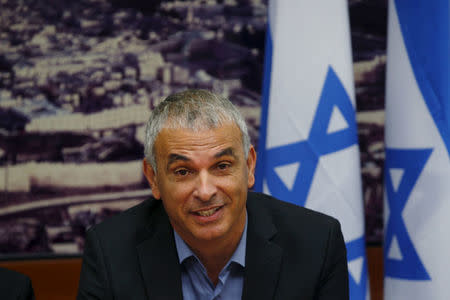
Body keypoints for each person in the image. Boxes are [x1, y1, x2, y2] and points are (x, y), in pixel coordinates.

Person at [77, 89, 349, 299]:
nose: (205, 192)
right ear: (153, 178)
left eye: (222, 166)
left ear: (249, 166)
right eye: (183, 172)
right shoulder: (110, 252)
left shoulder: (316, 244)